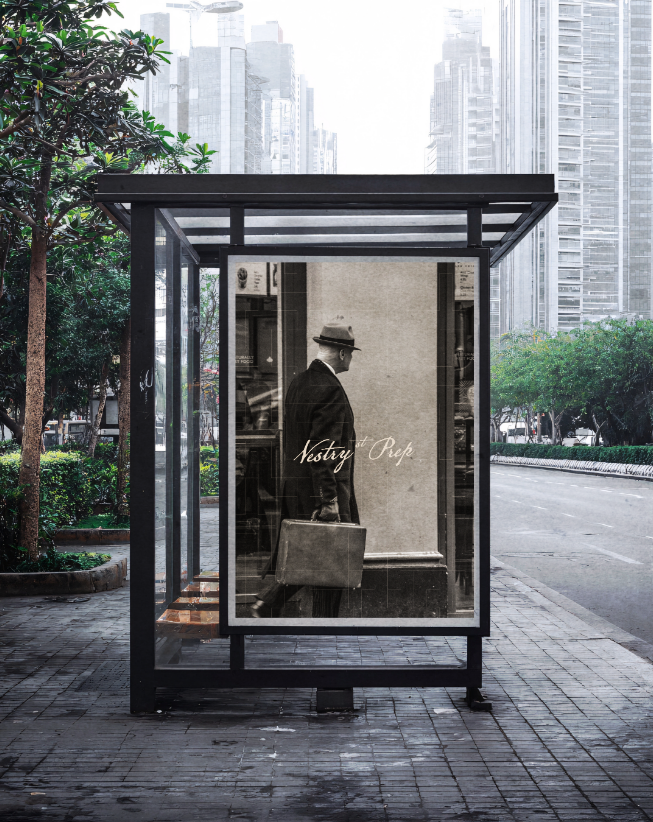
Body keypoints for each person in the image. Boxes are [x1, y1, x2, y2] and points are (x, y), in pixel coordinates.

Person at [251, 318, 361, 618]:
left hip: (297, 489)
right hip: (322, 494)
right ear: (341, 353)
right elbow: (321, 450)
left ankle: (270, 603)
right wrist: (330, 501)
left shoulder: (299, 382)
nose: (350, 359)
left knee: (309, 558)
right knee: (333, 565)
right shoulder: (331, 389)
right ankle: (322, 629)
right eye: (351, 354)